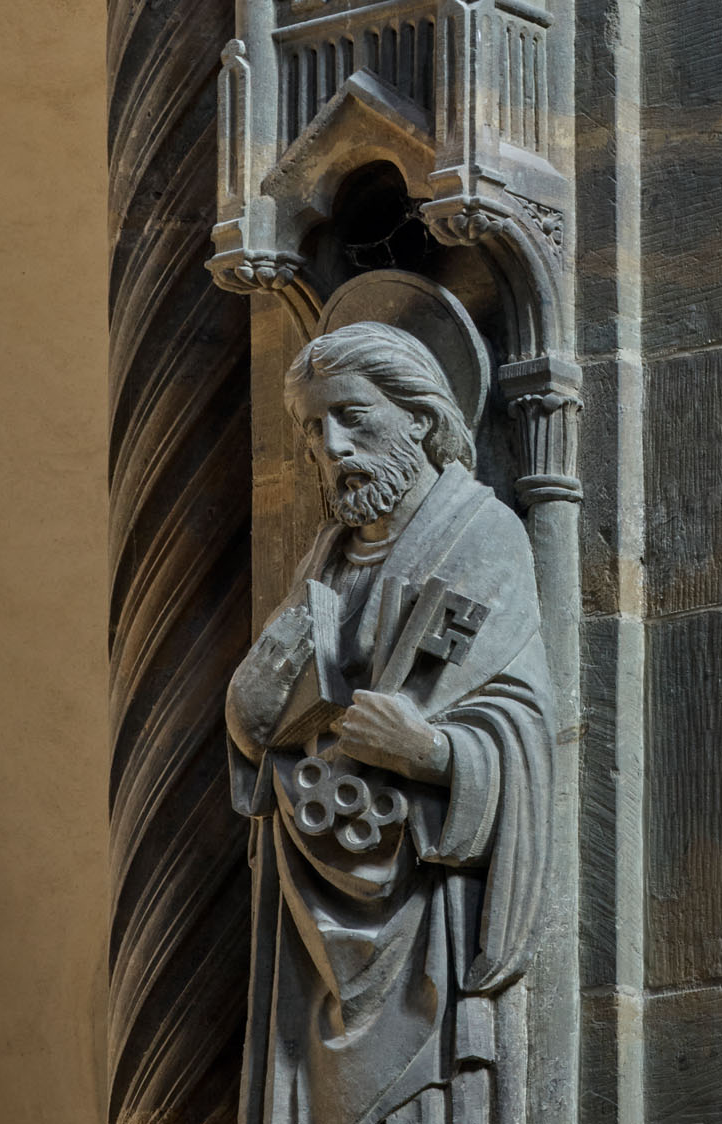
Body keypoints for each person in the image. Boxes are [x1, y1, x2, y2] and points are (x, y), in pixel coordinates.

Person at [227, 320, 552, 1124]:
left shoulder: (482, 534)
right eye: (312, 428)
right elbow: (274, 716)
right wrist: (253, 714)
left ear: (421, 417)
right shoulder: (327, 556)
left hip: (426, 904)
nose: (330, 447)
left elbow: (523, 728)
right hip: (317, 883)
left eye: (352, 417)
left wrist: (434, 752)